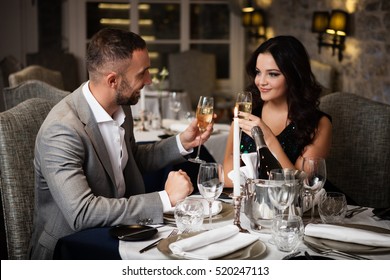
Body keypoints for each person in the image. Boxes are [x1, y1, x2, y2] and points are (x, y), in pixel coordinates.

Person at [28, 28, 214, 259]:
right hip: (71, 247)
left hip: (118, 232)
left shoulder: (120, 105)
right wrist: (164, 199)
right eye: (142, 73)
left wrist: (181, 142)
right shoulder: (62, 130)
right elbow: (82, 212)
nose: (149, 80)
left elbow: (131, 159)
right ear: (113, 80)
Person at [223, 35, 332, 188]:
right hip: (256, 204)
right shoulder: (247, 114)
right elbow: (228, 176)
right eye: (258, 72)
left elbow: (300, 187)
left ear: (293, 76)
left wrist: (267, 138)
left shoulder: (319, 124)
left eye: (273, 74)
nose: (261, 81)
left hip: (304, 209)